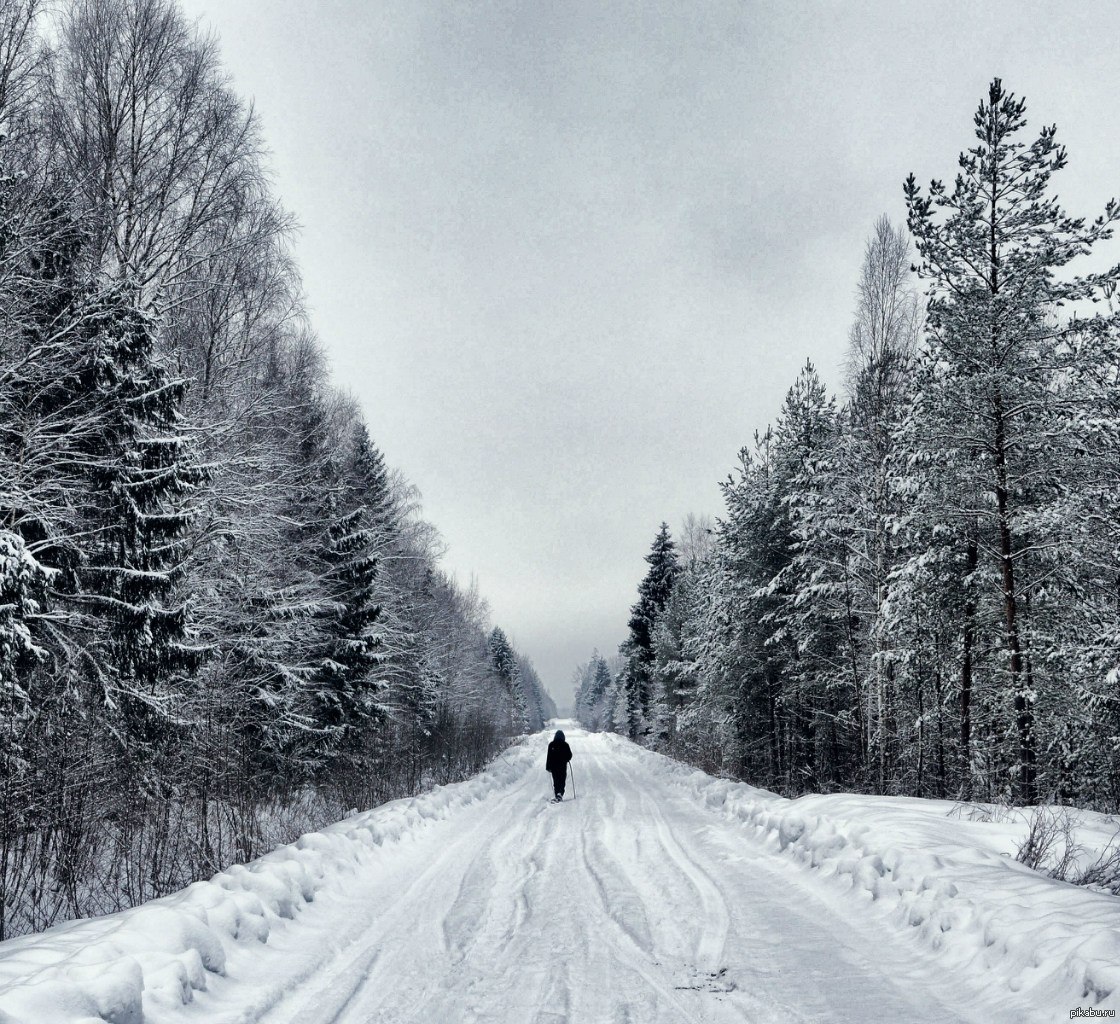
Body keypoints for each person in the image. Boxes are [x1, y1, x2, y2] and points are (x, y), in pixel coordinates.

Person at [545, 729, 572, 802]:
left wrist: (548, 767)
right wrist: (566, 759)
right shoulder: (565, 745)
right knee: (562, 780)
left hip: (554, 767)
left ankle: (557, 793)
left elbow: (549, 757)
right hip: (562, 766)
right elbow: (569, 755)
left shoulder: (551, 744)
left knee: (556, 780)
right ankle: (560, 793)